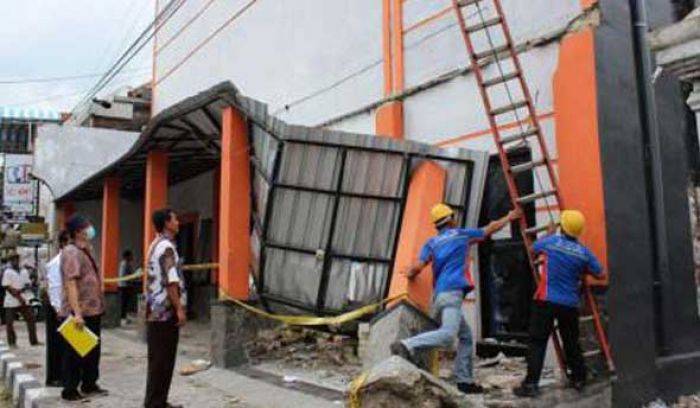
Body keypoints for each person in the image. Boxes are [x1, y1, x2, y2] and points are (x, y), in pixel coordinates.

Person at [390, 203, 521, 394]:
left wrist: (408, 274)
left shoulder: (431, 243)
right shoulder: (462, 235)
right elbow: (490, 228)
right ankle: (406, 345)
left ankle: (464, 381)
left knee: (466, 337)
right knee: (448, 334)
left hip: (439, 296)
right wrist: (510, 216)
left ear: (437, 225)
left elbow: (417, 268)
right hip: (452, 293)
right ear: (451, 219)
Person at [513, 210, 606, 398]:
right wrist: (582, 270)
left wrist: (548, 232)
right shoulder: (583, 253)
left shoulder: (551, 242)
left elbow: (532, 250)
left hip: (546, 300)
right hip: (570, 304)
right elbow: (600, 273)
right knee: (571, 342)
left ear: (562, 227)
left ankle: (531, 384)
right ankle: (579, 378)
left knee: (537, 342)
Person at [59, 215, 108, 401]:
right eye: (87, 226)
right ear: (78, 231)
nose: (91, 229)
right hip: (80, 311)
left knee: (91, 350)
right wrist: (77, 313)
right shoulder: (71, 252)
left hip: (93, 309)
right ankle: (70, 390)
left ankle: (89, 383)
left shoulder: (86, 250)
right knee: (74, 352)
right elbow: (71, 283)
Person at [144, 208, 186, 408]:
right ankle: (155, 403)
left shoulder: (156, 244)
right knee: (163, 360)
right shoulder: (166, 247)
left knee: (159, 359)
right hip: (164, 312)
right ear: (167, 223)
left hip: (155, 311)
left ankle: (158, 400)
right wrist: (179, 308)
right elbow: (171, 280)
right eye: (175, 218)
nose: (178, 222)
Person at [43, 230, 70, 386]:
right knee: (56, 345)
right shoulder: (56, 263)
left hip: (64, 308)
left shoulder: (67, 261)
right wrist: (59, 310)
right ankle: (54, 378)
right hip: (57, 309)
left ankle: (63, 375)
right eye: (68, 242)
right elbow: (54, 287)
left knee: (65, 345)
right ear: (62, 244)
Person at [2, 251, 39, 347]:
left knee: (31, 319)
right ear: (10, 261)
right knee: (9, 322)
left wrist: (28, 286)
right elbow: (7, 287)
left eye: (16, 259)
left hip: (24, 297)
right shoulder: (7, 272)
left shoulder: (24, 271)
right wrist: (19, 297)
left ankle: (33, 340)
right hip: (12, 299)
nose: (15, 261)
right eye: (13, 259)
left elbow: (27, 283)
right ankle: (12, 342)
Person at [118, 250, 135, 322]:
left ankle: (124, 317)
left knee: (124, 302)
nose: (132, 257)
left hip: (123, 285)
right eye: (131, 255)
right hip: (125, 286)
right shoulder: (126, 264)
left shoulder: (124, 263)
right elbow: (129, 275)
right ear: (127, 256)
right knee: (124, 303)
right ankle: (123, 317)